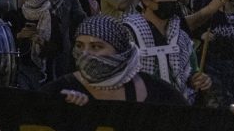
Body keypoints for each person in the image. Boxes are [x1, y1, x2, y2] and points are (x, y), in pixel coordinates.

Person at [121, 0, 228, 102]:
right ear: (146, 0)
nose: (170, 0)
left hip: (177, 109)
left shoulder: (181, 35)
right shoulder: (128, 33)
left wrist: (198, 80)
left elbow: (190, 72)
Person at [42, 16, 190, 106]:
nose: (85, 53)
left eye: (96, 46)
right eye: (80, 45)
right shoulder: (57, 91)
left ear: (120, 52)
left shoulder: (158, 91)